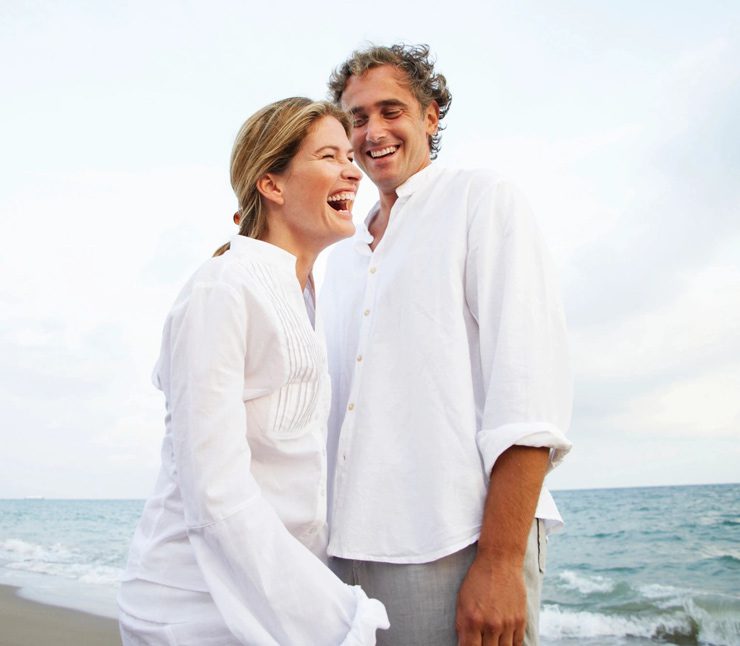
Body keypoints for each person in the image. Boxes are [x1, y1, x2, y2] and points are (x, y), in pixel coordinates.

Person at [321, 44, 573, 646]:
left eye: (391, 111)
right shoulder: (344, 256)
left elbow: (529, 394)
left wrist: (499, 563)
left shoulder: (481, 200)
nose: (373, 132)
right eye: (357, 119)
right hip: (346, 555)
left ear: (432, 116)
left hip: (457, 543)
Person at [118, 97, 389, 645]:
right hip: (194, 611)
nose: (351, 169)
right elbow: (214, 491)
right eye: (329, 156)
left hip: (268, 605)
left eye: (349, 156)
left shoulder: (306, 295)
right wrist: (335, 617)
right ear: (272, 184)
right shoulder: (223, 288)